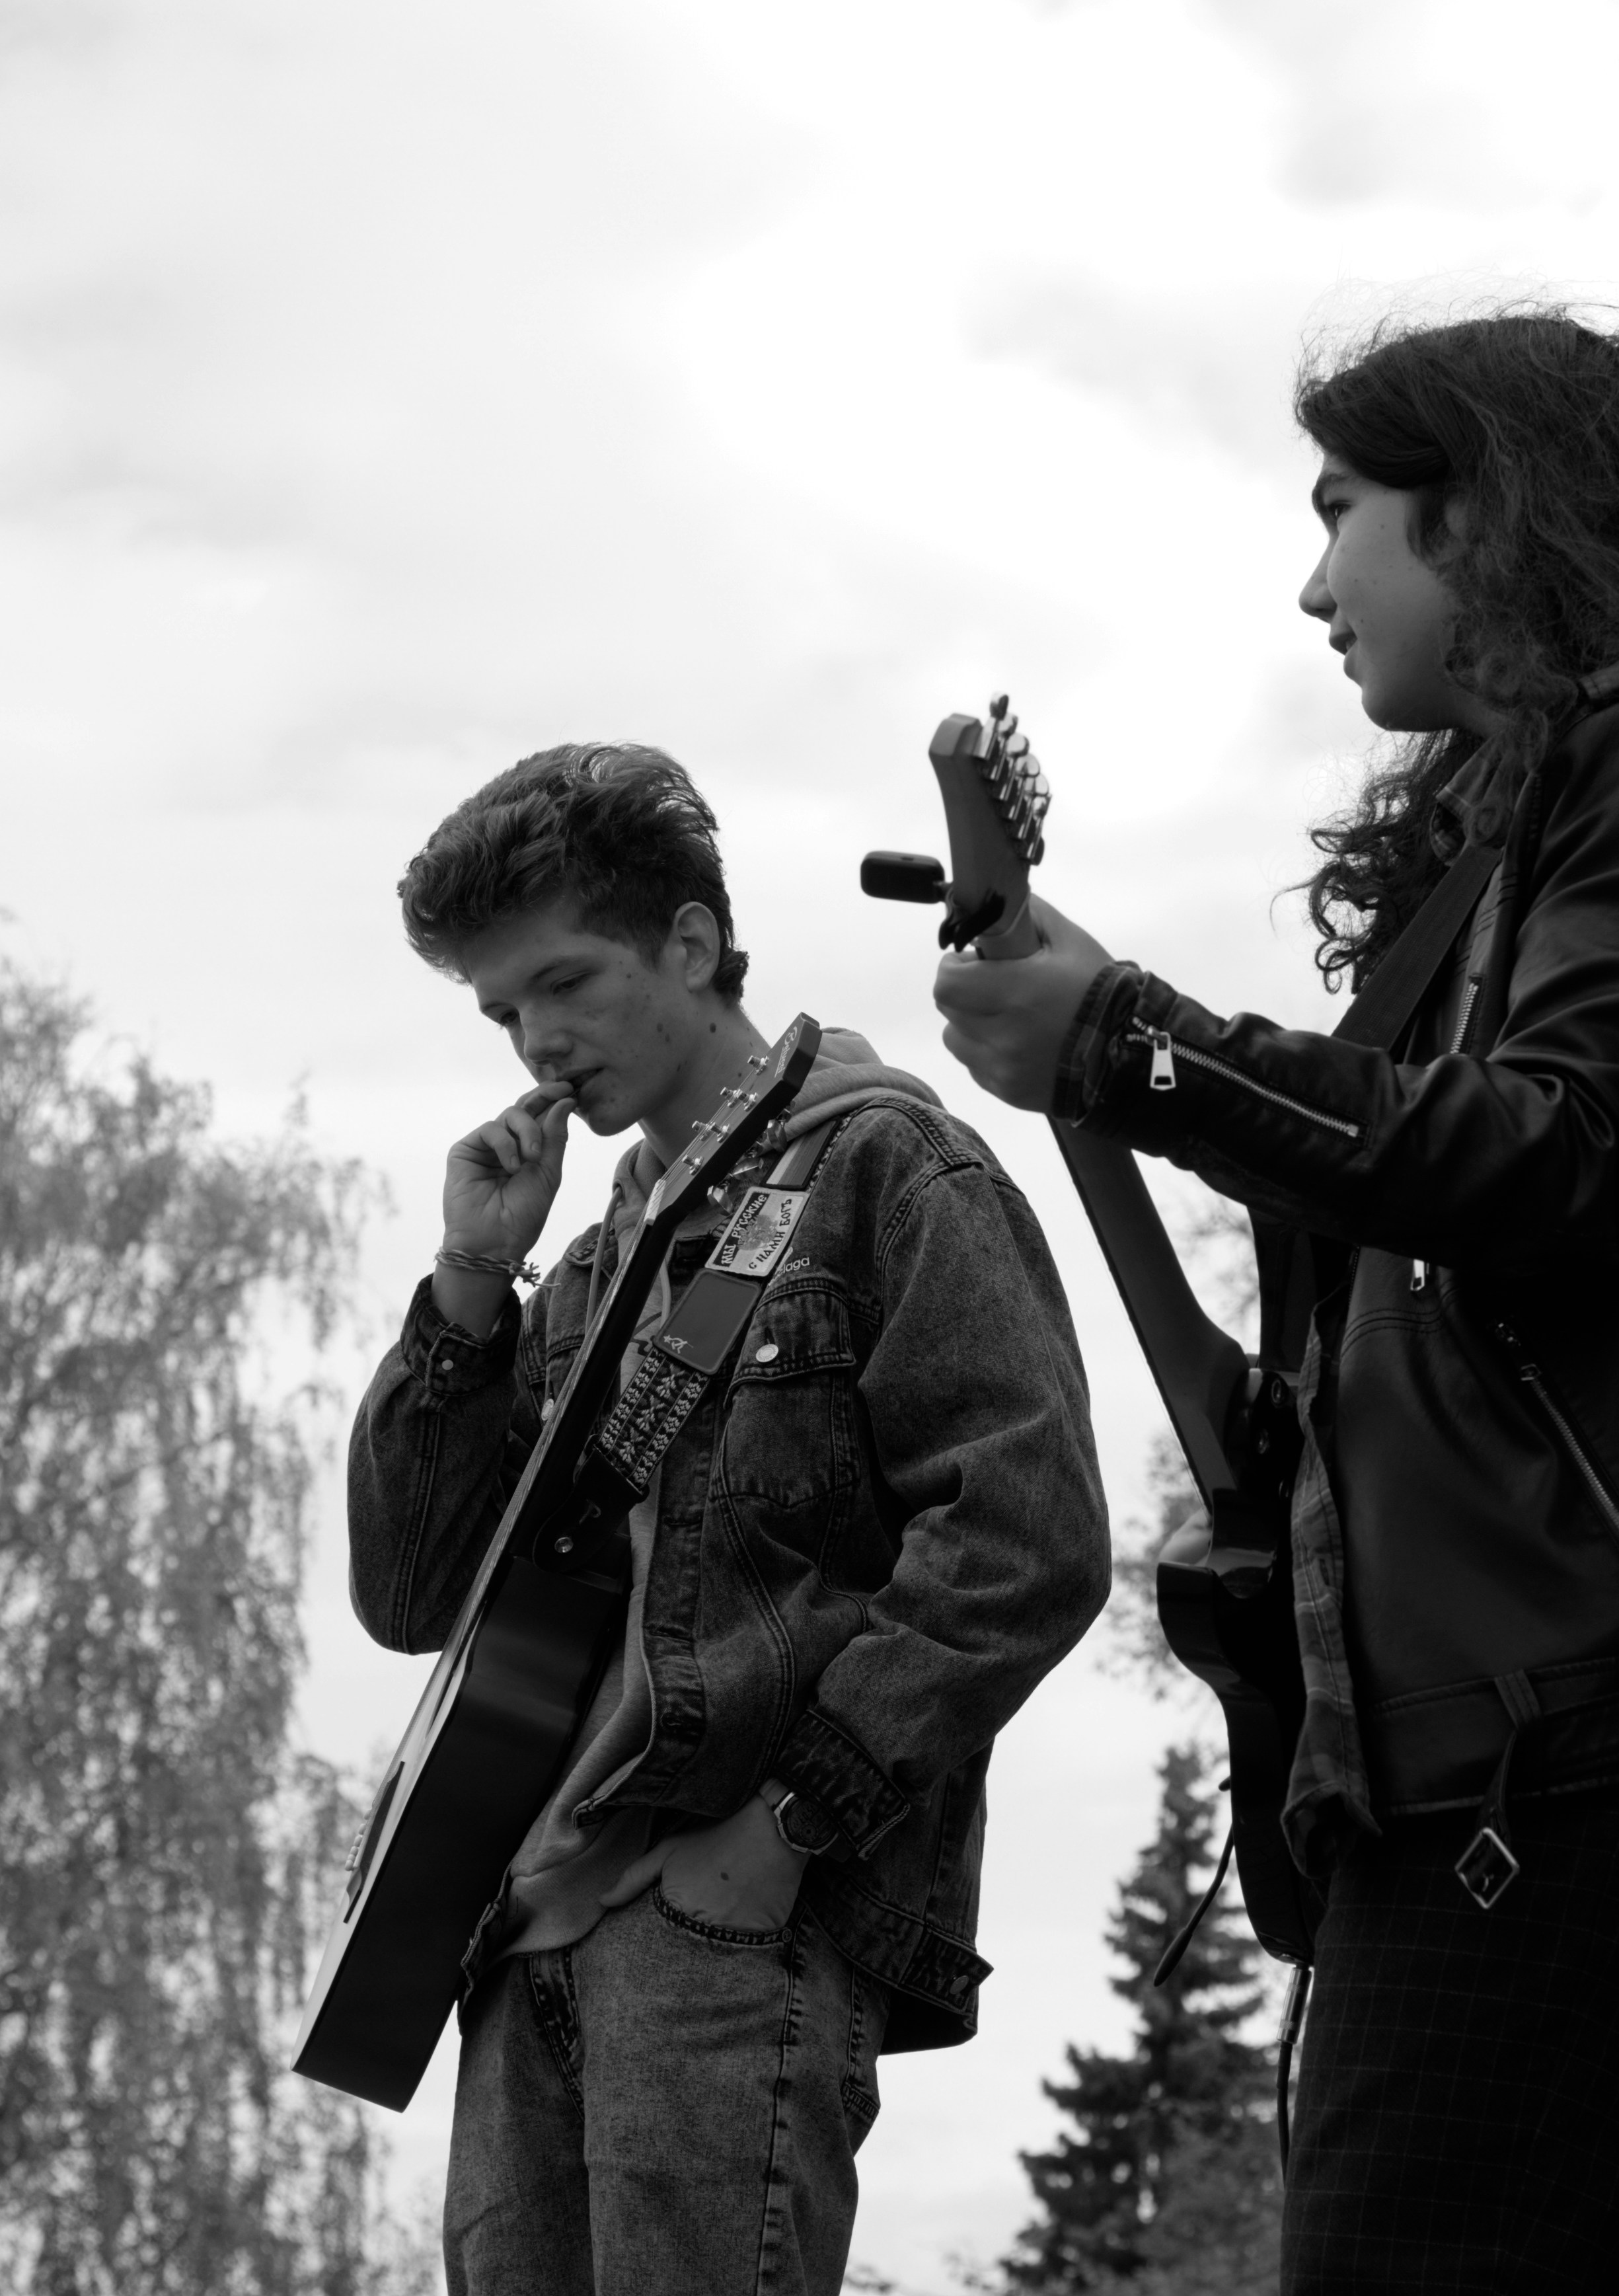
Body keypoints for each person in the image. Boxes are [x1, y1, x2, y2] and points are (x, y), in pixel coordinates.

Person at [934, 309, 1619, 2291]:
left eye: (1343, 513)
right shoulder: (1542, 828)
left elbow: (1564, 1165)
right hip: (1534, 1726)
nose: (1311, 581)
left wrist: (1133, 1047)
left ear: (1482, 510)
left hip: (1601, 1725)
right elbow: (1466, 1244)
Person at [353, 742, 1109, 2296]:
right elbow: (413, 1592)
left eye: (563, 981)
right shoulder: (580, 1269)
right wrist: (469, 1280)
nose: (537, 1040)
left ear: (690, 944)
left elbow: (1027, 1536)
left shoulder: (884, 1165)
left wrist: (788, 1827)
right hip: (519, 1947)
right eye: (501, 1010)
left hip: (715, 1935)